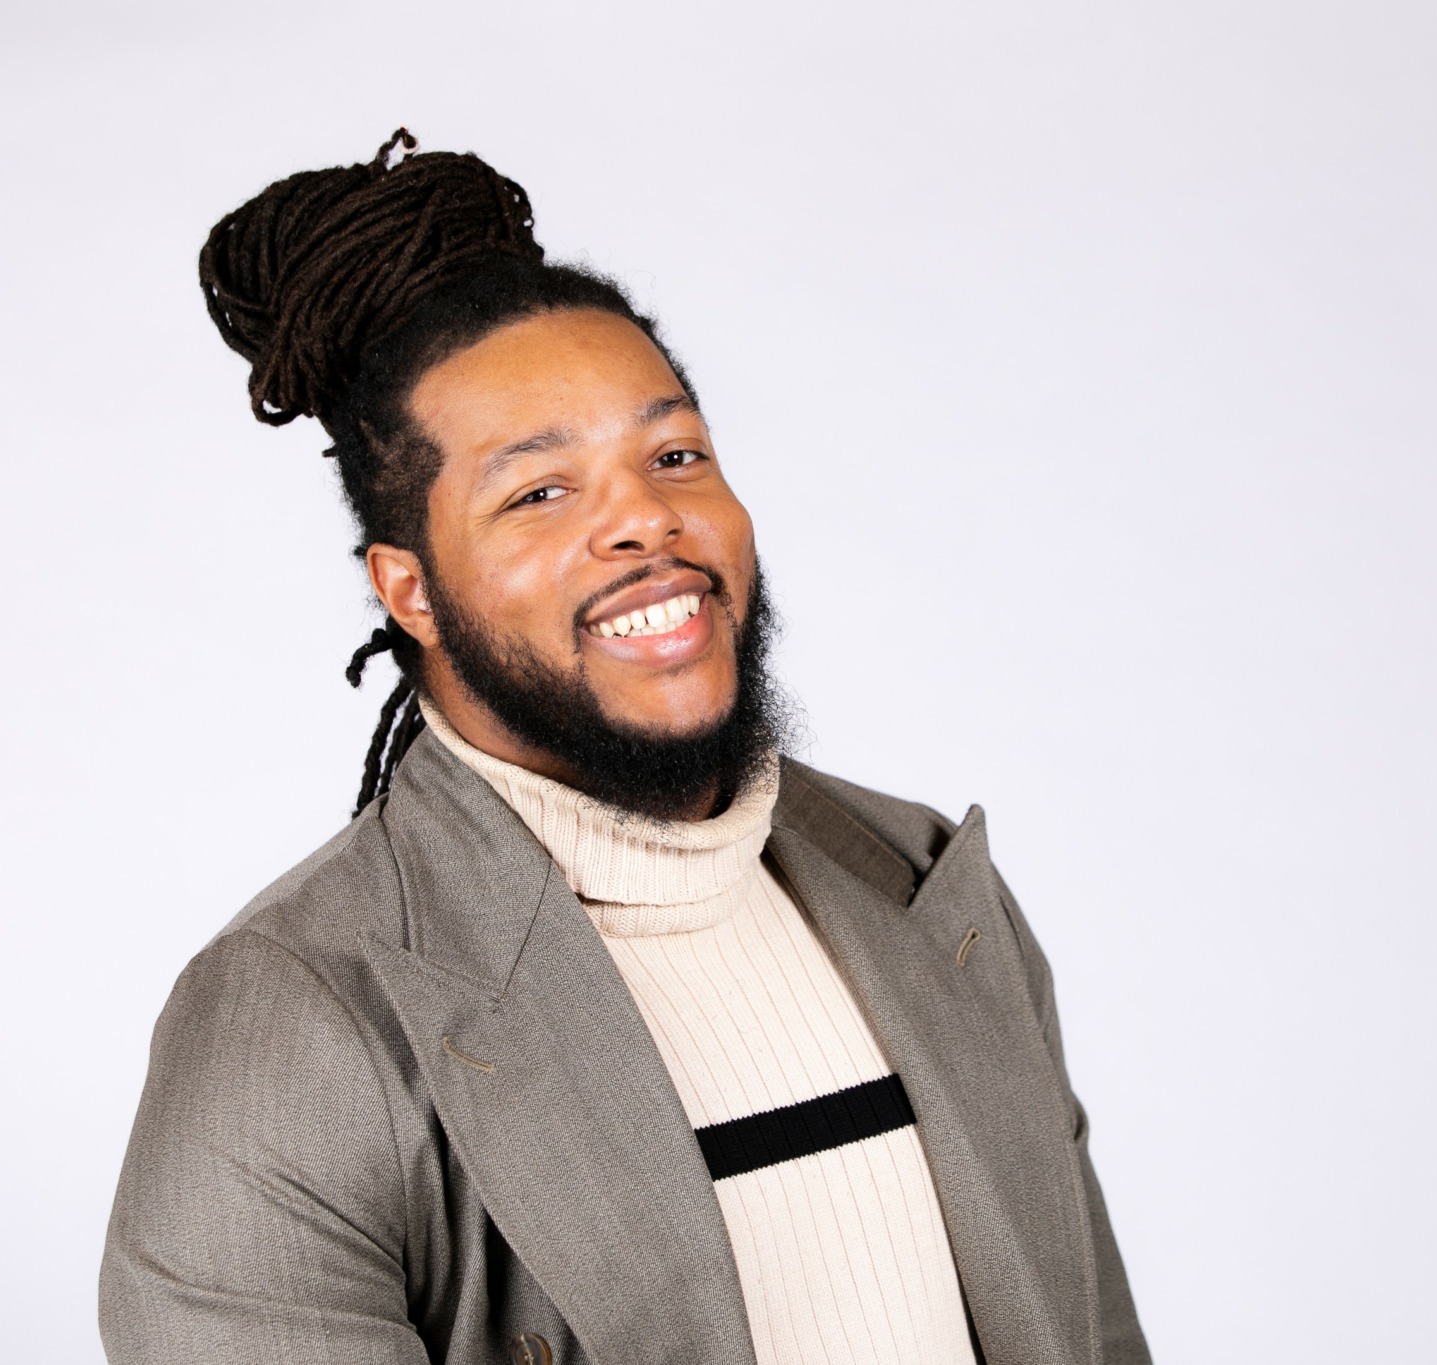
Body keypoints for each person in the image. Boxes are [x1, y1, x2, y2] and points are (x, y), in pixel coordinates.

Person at [100, 128, 1148, 1365]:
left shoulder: (922, 880)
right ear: (409, 590)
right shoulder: (298, 1020)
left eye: (674, 456)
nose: (644, 518)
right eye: (538, 492)